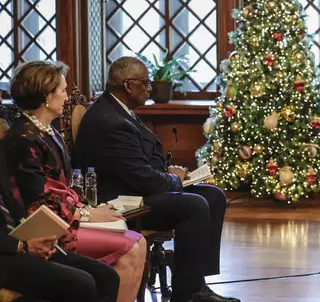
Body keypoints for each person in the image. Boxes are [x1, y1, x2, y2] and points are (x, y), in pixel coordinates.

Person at [74, 57, 239, 302]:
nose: (150, 89)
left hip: (134, 187)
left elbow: (138, 165)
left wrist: (170, 173)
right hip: (120, 199)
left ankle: (197, 283)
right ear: (128, 85)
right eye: (146, 83)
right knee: (193, 205)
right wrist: (174, 178)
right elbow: (144, 180)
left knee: (213, 196)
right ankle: (188, 294)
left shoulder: (117, 109)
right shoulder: (111, 121)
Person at [3, 61, 147, 302]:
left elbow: (63, 189)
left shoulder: (48, 131)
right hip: (46, 228)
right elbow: (37, 199)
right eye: (62, 90)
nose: (67, 96)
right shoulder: (23, 137)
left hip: (63, 217)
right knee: (132, 246)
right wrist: (86, 215)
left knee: (135, 240)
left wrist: (86, 209)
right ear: (46, 96)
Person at [0, 146, 120, 302]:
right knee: (82, 283)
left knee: (107, 277)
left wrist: (38, 231)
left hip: (17, 239)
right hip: (6, 253)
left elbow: (11, 200)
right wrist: (22, 246)